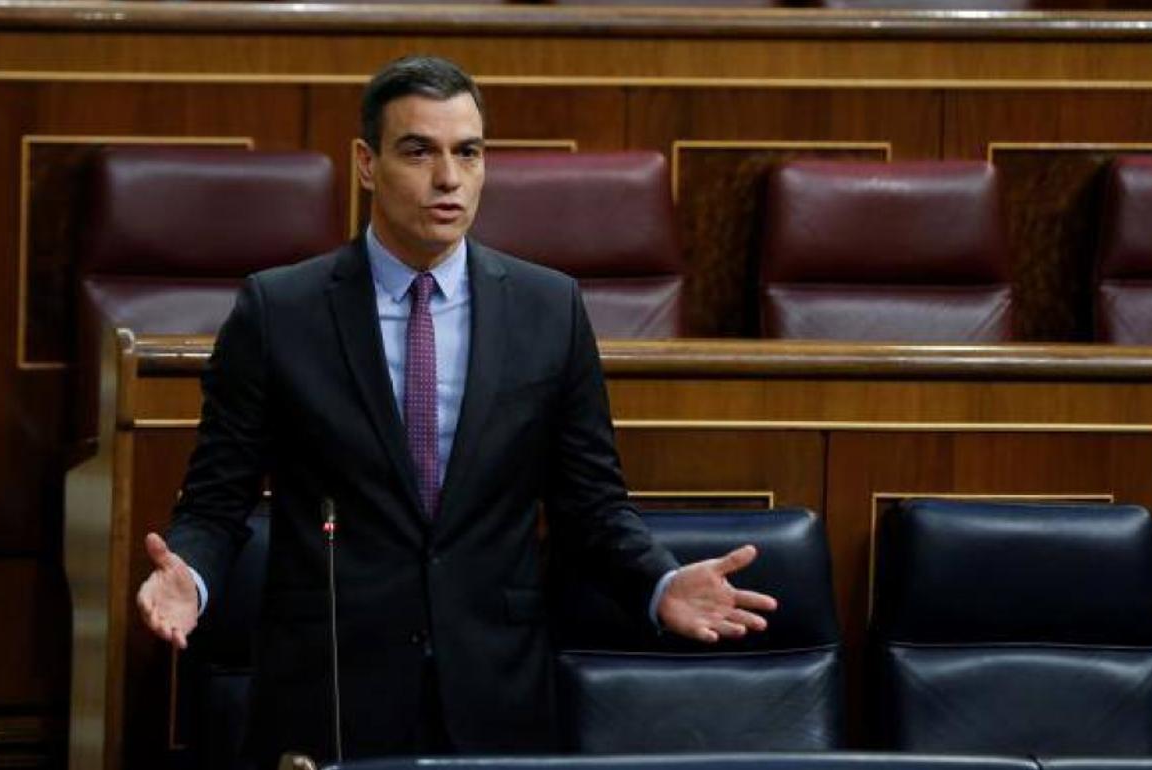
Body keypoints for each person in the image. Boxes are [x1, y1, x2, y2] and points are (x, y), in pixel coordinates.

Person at [135, 55, 776, 766]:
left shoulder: (548, 308)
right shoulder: (278, 311)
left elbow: (591, 505)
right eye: (419, 151)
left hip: (496, 691)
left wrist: (659, 582)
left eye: (467, 153)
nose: (448, 178)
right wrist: (188, 578)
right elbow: (218, 501)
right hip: (332, 691)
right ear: (366, 164)